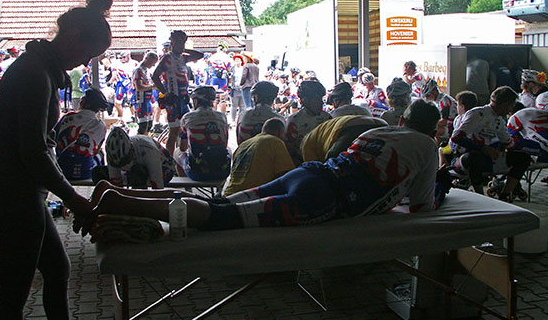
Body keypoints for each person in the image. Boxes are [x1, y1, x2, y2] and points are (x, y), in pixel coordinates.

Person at [0, 0, 113, 320]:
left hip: (25, 193)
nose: (85, 60)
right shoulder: (35, 74)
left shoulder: (42, 69)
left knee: (57, 270)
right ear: (71, 35)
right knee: (12, 299)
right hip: (14, 194)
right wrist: (74, 199)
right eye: (87, 51)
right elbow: (33, 151)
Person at [84, 100, 447, 233]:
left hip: (311, 174)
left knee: (221, 204)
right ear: (432, 129)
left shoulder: (380, 132)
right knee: (219, 219)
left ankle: (117, 192)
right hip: (323, 199)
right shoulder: (428, 146)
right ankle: (119, 202)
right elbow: (419, 207)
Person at [450, 86, 531, 201]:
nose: (511, 109)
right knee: (474, 158)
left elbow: (510, 144)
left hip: (487, 159)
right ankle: (480, 197)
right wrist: (483, 148)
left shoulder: (499, 121)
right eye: (511, 106)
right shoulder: (477, 114)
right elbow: (456, 137)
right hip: (463, 158)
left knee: (523, 158)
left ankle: (505, 195)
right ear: (505, 104)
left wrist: (529, 149)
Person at [152, 30, 203, 155]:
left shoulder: (183, 58)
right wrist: (165, 93)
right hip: (173, 100)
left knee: (184, 130)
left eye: (183, 43)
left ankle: (182, 156)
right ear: (173, 43)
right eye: (178, 42)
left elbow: (200, 55)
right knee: (174, 131)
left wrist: (185, 49)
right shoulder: (167, 58)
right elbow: (155, 76)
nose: (181, 45)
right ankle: (169, 160)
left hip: (183, 99)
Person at [224, 117, 294, 196]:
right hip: (251, 199)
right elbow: (287, 176)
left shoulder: (244, 144)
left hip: (229, 195)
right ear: (280, 132)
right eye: (284, 134)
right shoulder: (275, 141)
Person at [54, 87, 112, 182]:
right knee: (100, 153)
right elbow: (95, 150)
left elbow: (54, 138)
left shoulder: (67, 117)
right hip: (86, 172)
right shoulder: (100, 125)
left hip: (62, 170)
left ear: (84, 102)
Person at [176, 86, 231, 181]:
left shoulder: (187, 117)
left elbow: (183, 147)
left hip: (197, 172)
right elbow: (224, 144)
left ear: (196, 101)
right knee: (228, 149)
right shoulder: (222, 117)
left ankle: (187, 189)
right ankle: (219, 189)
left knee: (177, 151)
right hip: (222, 171)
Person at [105, 125, 175, 189]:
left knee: (138, 173)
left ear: (131, 150)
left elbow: (158, 186)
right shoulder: (111, 155)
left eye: (125, 161)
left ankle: (140, 198)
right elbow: (115, 184)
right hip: (135, 168)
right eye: (119, 165)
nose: (124, 165)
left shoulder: (149, 151)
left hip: (165, 167)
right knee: (99, 173)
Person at [301, 114, 387, 163]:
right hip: (382, 124)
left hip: (353, 128)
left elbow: (314, 168)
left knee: (332, 164)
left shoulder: (307, 145)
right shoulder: (320, 132)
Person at [284, 80, 331, 165]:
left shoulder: (327, 118)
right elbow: (290, 149)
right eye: (317, 99)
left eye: (322, 99)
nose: (321, 102)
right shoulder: (294, 120)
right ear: (306, 100)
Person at [236, 80, 283, 144]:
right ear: (273, 98)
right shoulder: (279, 119)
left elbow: (239, 141)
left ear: (255, 97)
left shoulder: (243, 115)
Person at [132, 51, 158, 134]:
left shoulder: (145, 70)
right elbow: (139, 87)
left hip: (147, 100)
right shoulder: (139, 70)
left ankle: (145, 142)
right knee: (143, 126)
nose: (153, 65)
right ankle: (139, 143)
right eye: (153, 62)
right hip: (141, 100)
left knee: (149, 125)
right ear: (147, 59)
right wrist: (152, 86)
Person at [229, 54, 247, 124]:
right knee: (234, 105)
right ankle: (233, 120)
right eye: (236, 60)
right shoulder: (232, 69)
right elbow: (230, 78)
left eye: (238, 60)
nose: (237, 62)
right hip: (234, 89)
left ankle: (240, 120)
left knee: (242, 106)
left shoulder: (244, 68)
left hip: (242, 88)